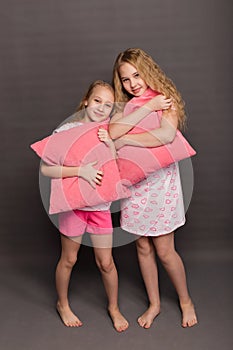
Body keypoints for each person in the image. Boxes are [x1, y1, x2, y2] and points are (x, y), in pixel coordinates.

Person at [109, 48, 198, 329]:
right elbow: (112, 132)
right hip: (134, 186)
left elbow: (166, 134)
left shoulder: (164, 98)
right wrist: (146, 109)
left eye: (137, 75)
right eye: (126, 80)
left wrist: (128, 141)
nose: (133, 83)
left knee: (164, 249)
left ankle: (185, 301)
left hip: (160, 184)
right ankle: (155, 303)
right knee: (143, 246)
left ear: (148, 72)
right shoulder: (128, 106)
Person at [40, 80, 129, 332]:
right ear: (86, 101)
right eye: (97, 101)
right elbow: (47, 168)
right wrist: (81, 172)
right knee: (69, 259)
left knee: (106, 263)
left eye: (108, 105)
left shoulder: (109, 131)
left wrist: (109, 143)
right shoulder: (67, 130)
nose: (101, 108)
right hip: (73, 207)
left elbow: (116, 168)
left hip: (100, 208)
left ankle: (113, 307)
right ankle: (63, 303)